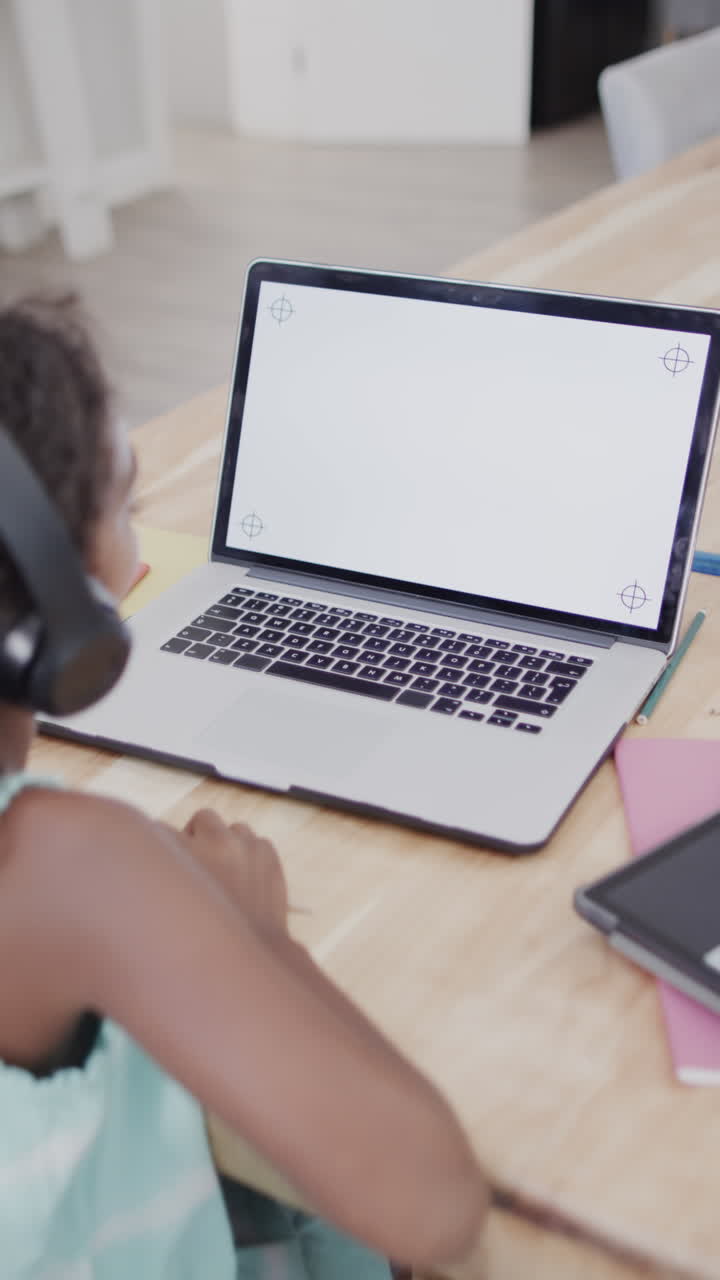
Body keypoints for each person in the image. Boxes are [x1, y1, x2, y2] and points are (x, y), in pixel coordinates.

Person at [0, 295, 490, 1278]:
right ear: (61, 591)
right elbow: (435, 1205)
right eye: (125, 496)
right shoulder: (67, 863)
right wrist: (258, 933)